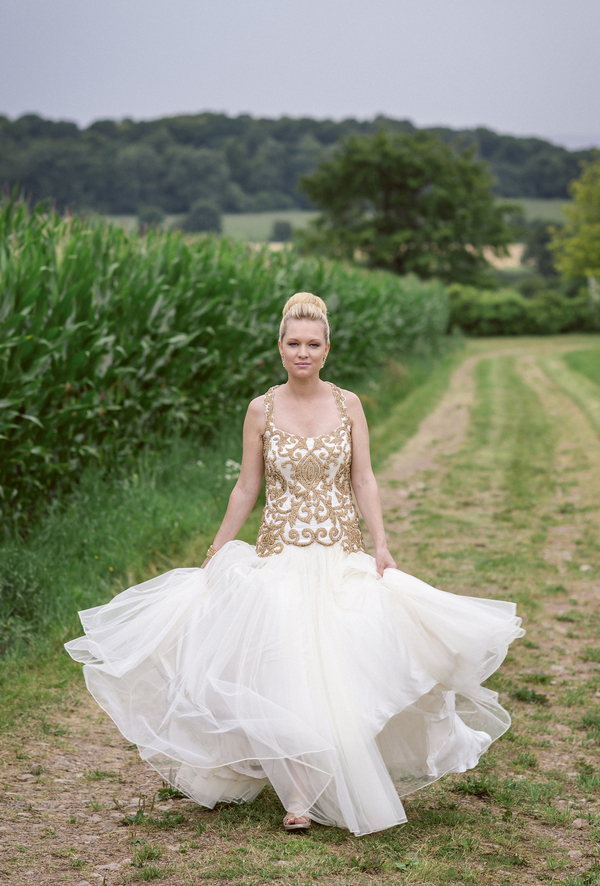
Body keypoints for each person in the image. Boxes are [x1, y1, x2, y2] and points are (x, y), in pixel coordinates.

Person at [65, 292, 524, 836]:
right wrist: (216, 549)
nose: (302, 352)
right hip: (280, 554)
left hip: (337, 553)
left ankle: (338, 766)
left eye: (313, 344)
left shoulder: (349, 405)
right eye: (293, 343)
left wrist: (381, 544)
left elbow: (364, 480)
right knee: (281, 668)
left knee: (345, 664)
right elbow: (246, 486)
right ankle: (300, 793)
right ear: (280, 348)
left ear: (327, 350)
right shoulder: (261, 409)